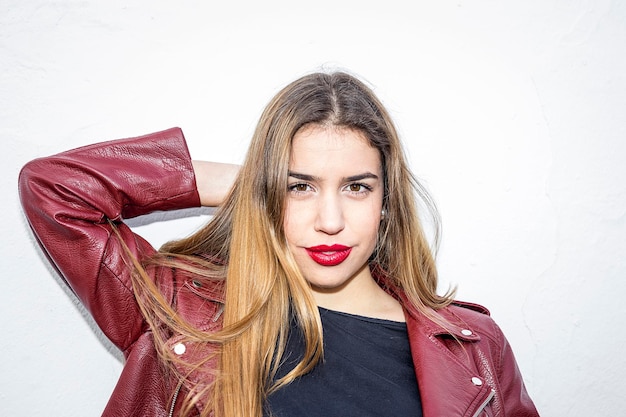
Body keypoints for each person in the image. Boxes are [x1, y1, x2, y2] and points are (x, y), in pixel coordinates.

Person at [19, 71, 539, 417]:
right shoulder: (179, 307)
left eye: (356, 186)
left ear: (387, 201)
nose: (329, 221)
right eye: (300, 186)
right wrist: (239, 183)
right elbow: (53, 189)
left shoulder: (473, 346)